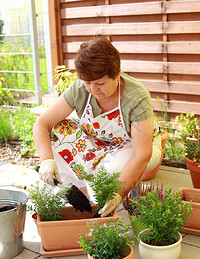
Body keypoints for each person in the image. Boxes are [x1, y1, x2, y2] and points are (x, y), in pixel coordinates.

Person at [33, 36, 162, 217]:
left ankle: (123, 193)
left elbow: (142, 154)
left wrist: (118, 193)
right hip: (100, 141)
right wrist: (46, 160)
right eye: (88, 83)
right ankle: (78, 191)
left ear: (117, 75)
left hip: (136, 145)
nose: (93, 90)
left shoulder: (136, 96)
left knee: (108, 173)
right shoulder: (80, 89)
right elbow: (42, 124)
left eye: (100, 83)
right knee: (57, 131)